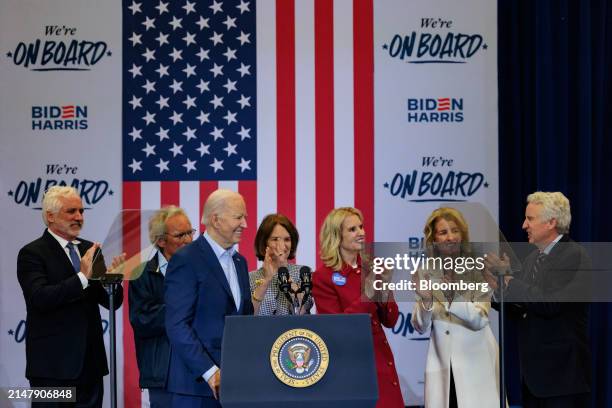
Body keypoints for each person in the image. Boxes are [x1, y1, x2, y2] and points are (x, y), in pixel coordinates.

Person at [16, 186, 124, 408]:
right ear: (50, 216)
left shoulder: (89, 249)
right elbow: (40, 298)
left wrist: (112, 280)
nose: (79, 217)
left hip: (90, 367)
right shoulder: (32, 253)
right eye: (71, 211)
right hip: (52, 371)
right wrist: (83, 277)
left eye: (82, 211)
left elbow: (111, 302)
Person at [485, 192, 591, 407]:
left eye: (530, 219)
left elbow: (550, 304)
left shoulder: (573, 254)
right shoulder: (534, 257)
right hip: (535, 379)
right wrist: (497, 289)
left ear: (552, 222)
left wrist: (509, 282)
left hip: (562, 380)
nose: (524, 225)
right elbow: (521, 310)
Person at [164, 189, 254, 408]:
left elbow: (244, 319)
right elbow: (176, 324)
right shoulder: (186, 260)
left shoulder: (240, 262)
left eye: (245, 218)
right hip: (195, 389)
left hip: (234, 386)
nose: (245, 224)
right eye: (238, 217)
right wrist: (211, 372)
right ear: (215, 219)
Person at [312, 207, 404, 408]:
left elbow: (391, 320)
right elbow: (338, 327)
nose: (361, 232)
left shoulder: (373, 266)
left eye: (361, 226)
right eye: (352, 229)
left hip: (381, 361)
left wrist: (386, 288)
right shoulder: (323, 277)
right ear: (337, 236)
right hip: (350, 365)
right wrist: (369, 292)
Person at [410, 207, 502, 408]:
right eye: (443, 232)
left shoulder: (478, 268)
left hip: (477, 364)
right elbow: (419, 325)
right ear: (433, 239)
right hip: (442, 366)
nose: (450, 237)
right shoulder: (426, 271)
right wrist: (426, 300)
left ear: (463, 235)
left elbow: (480, 319)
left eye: (455, 230)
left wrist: (453, 297)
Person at [129, 206, 194, 407]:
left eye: (190, 232)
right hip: (162, 373)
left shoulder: (203, 270)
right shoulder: (140, 274)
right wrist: (184, 308)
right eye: (180, 235)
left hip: (199, 370)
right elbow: (142, 320)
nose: (189, 240)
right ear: (161, 241)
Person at [249, 214, 313, 315]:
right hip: (261, 330)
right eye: (275, 239)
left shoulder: (303, 273)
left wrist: (284, 272)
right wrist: (266, 280)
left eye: (287, 239)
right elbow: (248, 317)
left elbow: (301, 312)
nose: (282, 245)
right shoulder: (250, 278)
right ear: (264, 243)